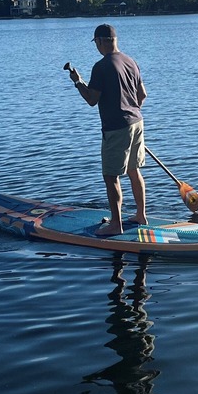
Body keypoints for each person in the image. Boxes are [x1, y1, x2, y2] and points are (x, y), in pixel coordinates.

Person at [68, 23, 148, 236]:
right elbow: (142, 95)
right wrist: (130, 112)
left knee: (111, 176)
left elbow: (92, 99)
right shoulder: (131, 61)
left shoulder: (101, 66)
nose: (97, 47)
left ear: (103, 41)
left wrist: (78, 82)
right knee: (133, 170)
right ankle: (140, 215)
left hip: (117, 128)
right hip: (136, 123)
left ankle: (116, 224)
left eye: (96, 43)